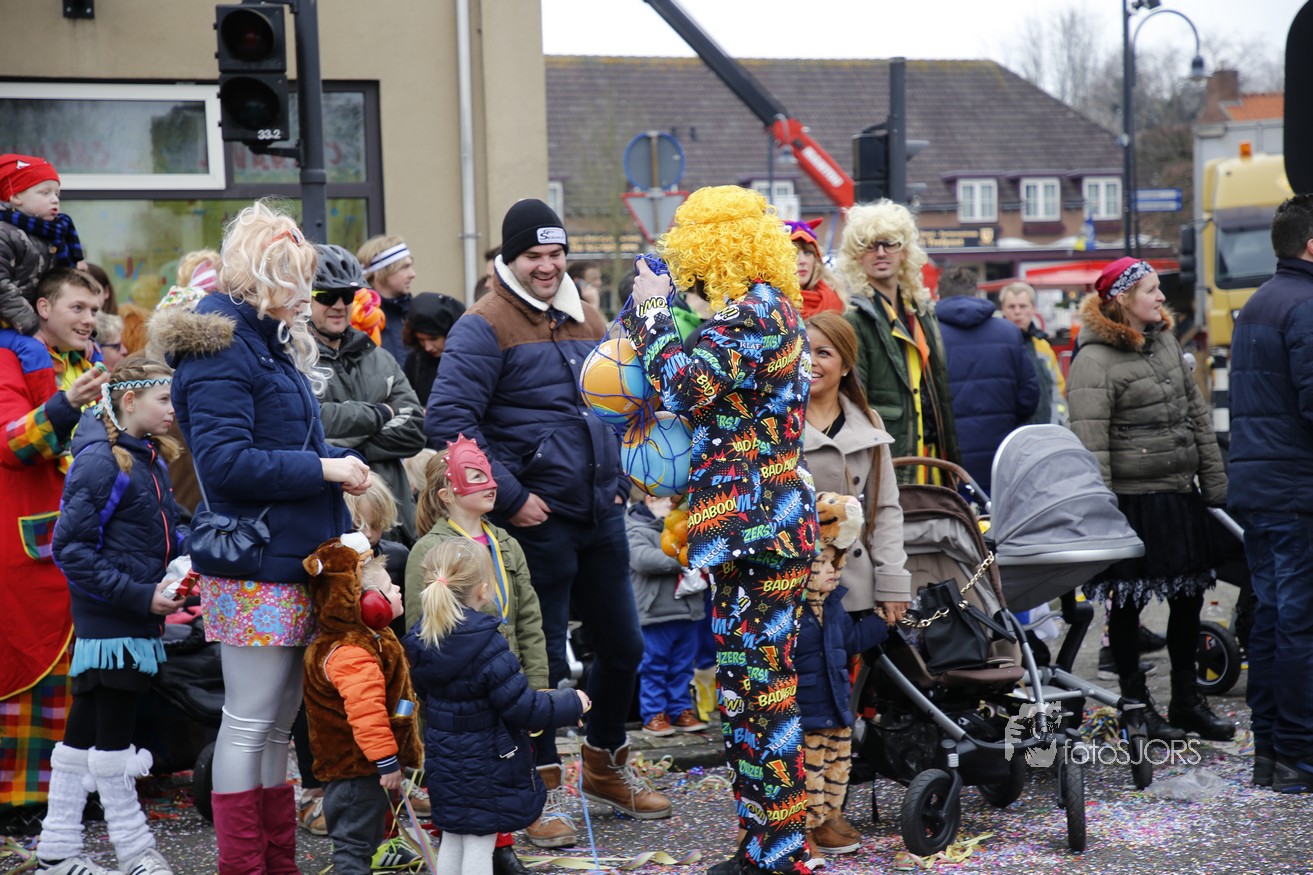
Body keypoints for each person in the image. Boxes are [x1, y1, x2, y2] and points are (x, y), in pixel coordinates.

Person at [426, 198, 666, 831]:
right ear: (510, 259)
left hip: (600, 512)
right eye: (533, 255)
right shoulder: (482, 325)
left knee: (624, 647)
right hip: (535, 519)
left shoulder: (587, 315)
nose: (547, 266)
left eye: (556, 254)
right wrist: (511, 497)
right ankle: (539, 790)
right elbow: (448, 421)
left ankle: (605, 764)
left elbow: (617, 403)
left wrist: (621, 479)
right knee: (541, 662)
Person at [155, 200, 371, 873]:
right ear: (263, 275)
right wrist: (326, 467)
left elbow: (281, 445)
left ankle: (275, 863)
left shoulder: (260, 341)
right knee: (251, 721)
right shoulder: (223, 347)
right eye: (297, 279)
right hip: (254, 560)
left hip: (283, 555)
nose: (308, 295)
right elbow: (225, 465)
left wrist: (335, 465)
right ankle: (246, 865)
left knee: (274, 724)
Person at [624, 185, 818, 875]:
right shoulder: (763, 308)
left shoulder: (752, 312)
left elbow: (685, 386)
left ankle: (778, 853)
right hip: (756, 528)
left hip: (758, 529)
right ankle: (764, 843)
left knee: (760, 695)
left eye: (687, 254)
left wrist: (652, 310)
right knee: (748, 693)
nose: (684, 270)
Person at [1067, 257, 1233, 743]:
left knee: (1188, 599)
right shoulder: (1093, 359)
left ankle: (1187, 701)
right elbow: (1091, 445)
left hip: (1178, 492)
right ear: (1123, 298)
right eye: (1151, 290)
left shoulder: (1166, 343)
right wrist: (1101, 512)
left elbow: (1197, 416)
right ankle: (1137, 709)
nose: (1161, 297)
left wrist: (1214, 482)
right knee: (1126, 607)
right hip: (1131, 501)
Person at [40, 357, 185, 875]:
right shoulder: (102, 461)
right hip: (114, 623)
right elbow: (71, 549)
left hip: (128, 618)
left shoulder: (148, 458)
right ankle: (135, 852)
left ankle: (57, 850)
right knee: (114, 747)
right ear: (129, 400)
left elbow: (159, 534)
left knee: (81, 738)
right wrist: (141, 597)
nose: (173, 409)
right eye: (163, 399)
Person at [405, 439, 552, 867]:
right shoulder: (428, 551)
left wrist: (538, 687)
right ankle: (494, 855)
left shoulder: (506, 543)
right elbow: (420, 636)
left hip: (509, 689)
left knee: (502, 776)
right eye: (476, 476)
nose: (492, 484)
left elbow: (529, 619)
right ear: (446, 493)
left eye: (489, 474)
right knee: (472, 791)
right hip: (463, 703)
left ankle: (502, 851)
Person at [403, 539, 589, 875]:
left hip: (444, 756)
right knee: (480, 840)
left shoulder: (422, 637)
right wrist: (572, 702)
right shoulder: (488, 643)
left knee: (454, 835)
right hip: (486, 760)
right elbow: (523, 709)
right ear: (483, 590)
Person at [0, 268, 109, 836]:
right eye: (78, 308)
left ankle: (75, 790)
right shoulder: (9, 360)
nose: (90, 320)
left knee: (85, 672)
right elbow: (12, 442)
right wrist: (66, 404)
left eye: (95, 309)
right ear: (43, 307)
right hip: (27, 544)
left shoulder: (83, 363)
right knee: (35, 665)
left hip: (86, 541)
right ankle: (22, 796)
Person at [1227, 193, 1313, 792]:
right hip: (1296, 491)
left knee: (1270, 619)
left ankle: (1269, 749)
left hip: (1260, 487)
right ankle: (1299, 757)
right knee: (1298, 626)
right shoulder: (1306, 305)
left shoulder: (1259, 302)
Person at [302, 533, 423, 875]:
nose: (397, 589)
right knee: (354, 849)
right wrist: (387, 760)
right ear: (366, 603)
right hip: (354, 771)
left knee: (366, 842)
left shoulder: (372, 639)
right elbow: (366, 712)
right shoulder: (351, 654)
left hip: (367, 769)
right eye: (388, 587)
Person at [311, 244, 427, 543]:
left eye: (347, 296)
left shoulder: (379, 357)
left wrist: (342, 447)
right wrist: (381, 414)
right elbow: (310, 429)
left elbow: (415, 429)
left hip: (394, 523)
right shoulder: (292, 361)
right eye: (326, 296)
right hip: (329, 524)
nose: (339, 305)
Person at [795, 493, 890, 860]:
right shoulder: (791, 612)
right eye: (823, 564)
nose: (834, 571)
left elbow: (849, 642)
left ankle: (830, 816)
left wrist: (881, 622)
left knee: (837, 767)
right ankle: (805, 828)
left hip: (837, 707)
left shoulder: (833, 607)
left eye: (836, 563)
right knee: (809, 775)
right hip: (808, 711)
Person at [839, 200, 959, 482]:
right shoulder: (855, 318)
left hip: (934, 456)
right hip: (893, 461)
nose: (881, 253)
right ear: (857, 256)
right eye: (870, 245)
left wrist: (952, 459)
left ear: (904, 251)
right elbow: (855, 402)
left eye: (889, 244)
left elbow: (940, 394)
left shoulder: (921, 312)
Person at [801, 311, 910, 620]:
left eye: (823, 353)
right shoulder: (775, 423)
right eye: (803, 350)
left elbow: (885, 509)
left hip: (856, 587)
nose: (810, 361)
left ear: (846, 366)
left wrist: (892, 583)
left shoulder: (869, 422)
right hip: (792, 585)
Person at [934, 266, 1037, 495]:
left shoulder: (929, 335)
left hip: (949, 460)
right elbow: (1029, 395)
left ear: (939, 296)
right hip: (1000, 453)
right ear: (976, 293)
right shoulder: (1009, 332)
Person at [626, 490, 709, 737]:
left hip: (688, 612)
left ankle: (680, 710)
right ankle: (653, 714)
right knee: (654, 667)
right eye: (670, 502)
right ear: (651, 500)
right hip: (655, 614)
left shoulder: (688, 527)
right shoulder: (636, 528)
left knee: (683, 667)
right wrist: (685, 557)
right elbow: (643, 560)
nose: (676, 507)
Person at [0, 153, 86, 335]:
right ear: (16, 196)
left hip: (39, 323)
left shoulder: (55, 233)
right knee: (34, 350)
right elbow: (1, 287)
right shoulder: (4, 233)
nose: (55, 199)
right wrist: (33, 327)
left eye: (57, 194)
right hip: (11, 326)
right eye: (45, 193)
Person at [998, 281, 1067, 426]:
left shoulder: (1043, 346)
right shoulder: (994, 345)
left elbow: (1057, 388)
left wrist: (1057, 421)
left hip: (1044, 427)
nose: (1017, 312)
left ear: (1033, 308)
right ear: (1003, 309)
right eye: (1011, 306)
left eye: (1023, 306)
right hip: (1008, 431)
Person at [357, 234, 417, 364]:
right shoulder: (359, 318)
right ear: (381, 271)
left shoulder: (416, 313)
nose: (413, 274)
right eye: (404, 267)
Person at [402, 292, 466, 406]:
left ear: (450, 333)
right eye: (421, 340)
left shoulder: (469, 360)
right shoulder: (415, 359)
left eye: (433, 339)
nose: (428, 347)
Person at [785, 218, 845, 319]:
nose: (802, 261)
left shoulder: (837, 297)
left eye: (808, 252)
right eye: (793, 254)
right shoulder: (770, 304)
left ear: (816, 259)